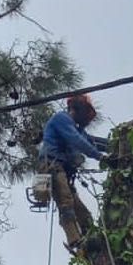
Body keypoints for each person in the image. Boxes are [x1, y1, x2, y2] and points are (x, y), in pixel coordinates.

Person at [38, 94, 109, 250]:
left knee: (80, 209)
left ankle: (91, 235)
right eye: (86, 113)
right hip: (51, 165)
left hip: (63, 171)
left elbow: (92, 142)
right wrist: (100, 157)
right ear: (77, 108)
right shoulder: (61, 119)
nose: (86, 119)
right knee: (66, 202)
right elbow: (76, 140)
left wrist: (113, 145)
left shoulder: (76, 129)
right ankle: (75, 241)